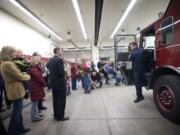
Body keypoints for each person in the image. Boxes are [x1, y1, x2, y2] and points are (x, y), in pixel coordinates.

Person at [0, 46, 31, 135]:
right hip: (15, 89)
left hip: (14, 88)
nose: (15, 53)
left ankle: (20, 128)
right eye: (13, 52)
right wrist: (28, 76)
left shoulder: (6, 63)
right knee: (16, 112)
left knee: (18, 111)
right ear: (8, 53)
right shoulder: (8, 64)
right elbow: (20, 76)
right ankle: (12, 131)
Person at [47, 47, 69, 121]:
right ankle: (60, 116)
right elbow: (60, 73)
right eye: (61, 50)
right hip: (60, 83)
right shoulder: (59, 60)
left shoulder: (51, 59)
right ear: (57, 51)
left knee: (55, 100)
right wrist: (65, 71)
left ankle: (56, 115)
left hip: (53, 83)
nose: (62, 52)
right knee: (61, 101)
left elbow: (47, 67)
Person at [28, 54, 46, 122]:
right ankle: (34, 117)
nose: (40, 60)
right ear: (35, 60)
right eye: (39, 59)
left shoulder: (34, 67)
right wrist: (44, 83)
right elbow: (38, 77)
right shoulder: (33, 68)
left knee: (36, 101)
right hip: (35, 86)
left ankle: (36, 114)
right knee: (34, 102)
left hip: (36, 86)